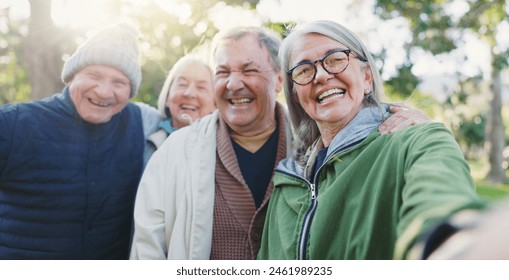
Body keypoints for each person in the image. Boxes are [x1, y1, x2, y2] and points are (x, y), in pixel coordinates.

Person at [130, 25, 431, 260]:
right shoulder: (177, 151)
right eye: (223, 73)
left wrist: (394, 112)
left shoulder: (317, 144)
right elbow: (147, 249)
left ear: (277, 80)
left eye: (248, 70)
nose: (234, 83)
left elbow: (356, 116)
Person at [256, 20, 487, 260]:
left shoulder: (416, 141)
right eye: (304, 70)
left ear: (367, 77)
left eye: (335, 59)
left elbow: (443, 208)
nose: (322, 76)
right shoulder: (287, 180)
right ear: (296, 95)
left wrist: (449, 246)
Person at [0, 24, 160, 259]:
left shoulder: (140, 122)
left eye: (119, 82)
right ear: (72, 76)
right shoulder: (13, 123)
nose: (104, 91)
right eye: (94, 75)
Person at [145, 54, 215, 162]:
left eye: (201, 87)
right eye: (182, 84)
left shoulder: (223, 147)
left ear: (215, 104)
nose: (189, 93)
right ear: (167, 96)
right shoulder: (147, 143)